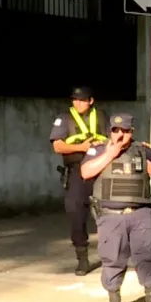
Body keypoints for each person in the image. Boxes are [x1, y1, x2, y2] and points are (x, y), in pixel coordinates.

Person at [79, 114, 151, 302]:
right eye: (116, 130)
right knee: (112, 256)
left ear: (132, 132)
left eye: (126, 131)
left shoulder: (143, 150)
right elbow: (85, 172)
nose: (121, 134)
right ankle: (114, 301)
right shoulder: (98, 149)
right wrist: (110, 154)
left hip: (140, 213)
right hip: (111, 214)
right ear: (110, 131)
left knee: (147, 254)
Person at [49, 86, 108, 276]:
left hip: (101, 166)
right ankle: (82, 257)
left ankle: (112, 253)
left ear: (91, 101)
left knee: (109, 209)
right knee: (74, 208)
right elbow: (57, 146)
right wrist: (81, 147)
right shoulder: (64, 119)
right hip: (77, 169)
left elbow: (115, 139)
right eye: (75, 99)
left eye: (82, 100)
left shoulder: (101, 116)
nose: (78, 103)